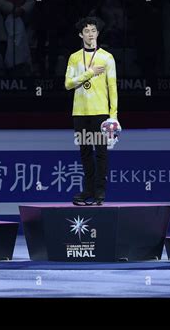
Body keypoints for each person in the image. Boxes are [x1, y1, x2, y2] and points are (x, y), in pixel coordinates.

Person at [65, 17, 119, 206]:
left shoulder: (107, 57)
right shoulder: (74, 57)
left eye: (93, 30)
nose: (90, 34)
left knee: (101, 153)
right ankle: (87, 190)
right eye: (86, 31)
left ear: (97, 33)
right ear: (81, 34)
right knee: (85, 152)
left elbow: (112, 87)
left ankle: (100, 193)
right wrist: (89, 73)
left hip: (100, 113)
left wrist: (114, 116)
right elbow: (68, 83)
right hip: (80, 113)